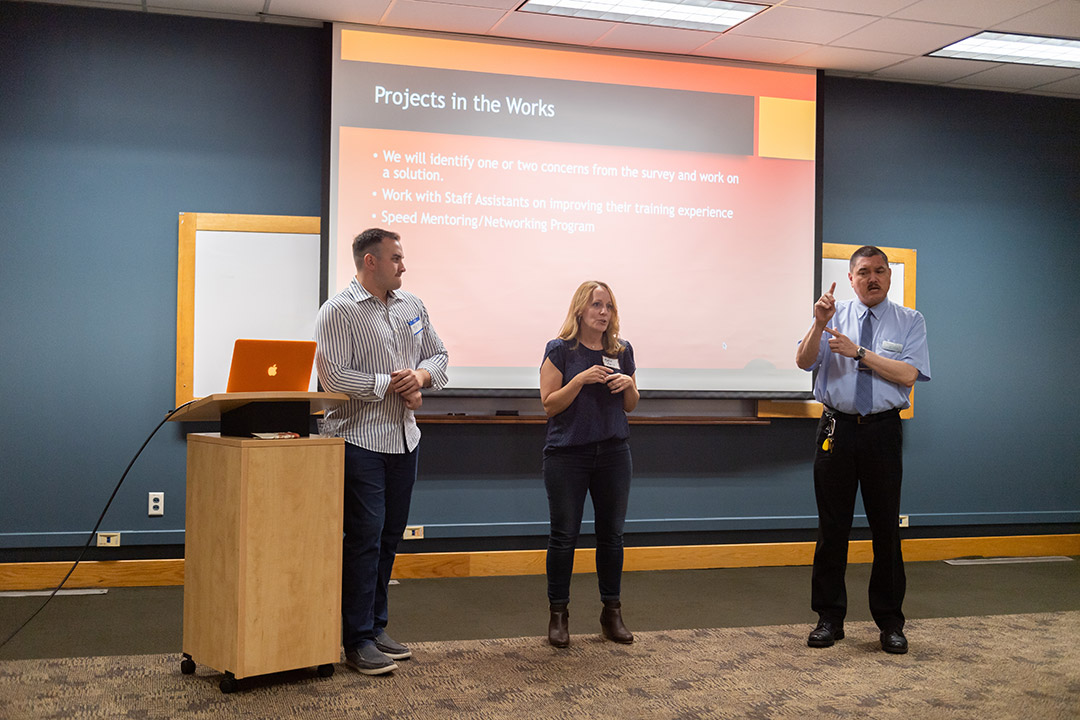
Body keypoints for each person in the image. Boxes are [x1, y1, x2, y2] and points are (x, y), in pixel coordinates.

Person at [314, 228, 448, 675]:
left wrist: (421, 378)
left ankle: (375, 625)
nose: (403, 266)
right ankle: (355, 639)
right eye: (396, 258)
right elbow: (334, 376)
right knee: (365, 540)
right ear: (370, 262)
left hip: (404, 439)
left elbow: (439, 356)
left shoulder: (413, 306)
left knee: (390, 538)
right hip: (359, 440)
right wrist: (389, 384)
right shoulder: (338, 311)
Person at [795, 245, 930, 655]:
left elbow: (909, 373)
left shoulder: (909, 321)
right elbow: (803, 362)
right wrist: (818, 325)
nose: (872, 278)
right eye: (864, 272)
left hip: (882, 432)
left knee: (886, 528)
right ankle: (829, 618)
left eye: (880, 272)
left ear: (889, 277)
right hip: (836, 427)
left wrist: (859, 353)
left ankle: (890, 623)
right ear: (850, 279)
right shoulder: (831, 317)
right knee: (831, 527)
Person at [540, 280, 640, 648]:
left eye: (609, 306)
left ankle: (611, 613)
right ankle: (559, 615)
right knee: (564, 537)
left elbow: (631, 404)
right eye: (597, 305)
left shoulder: (622, 350)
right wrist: (580, 379)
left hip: (614, 453)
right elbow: (549, 404)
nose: (603, 312)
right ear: (580, 310)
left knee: (612, 537)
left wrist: (627, 385)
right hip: (568, 455)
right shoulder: (560, 350)